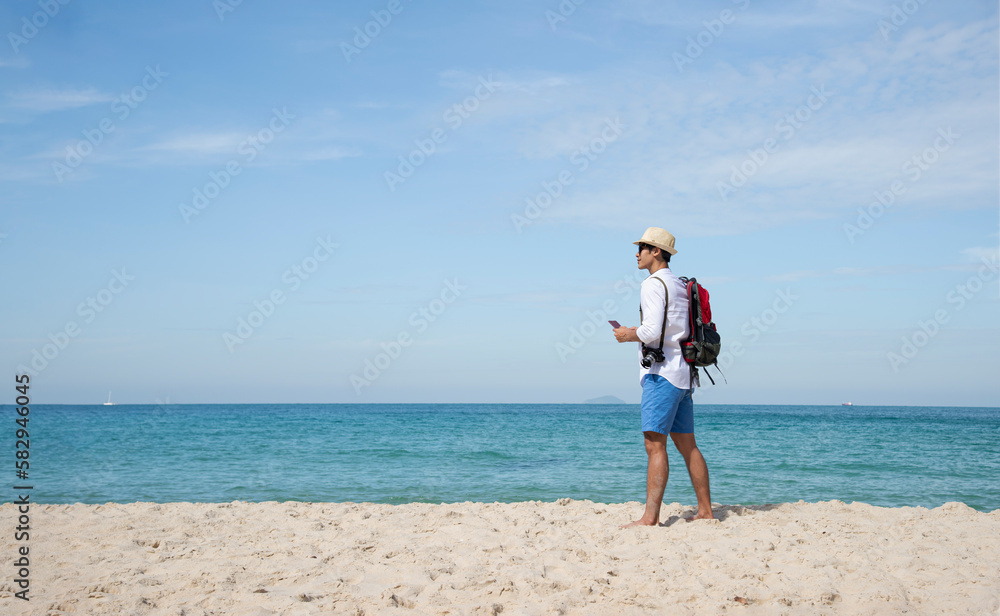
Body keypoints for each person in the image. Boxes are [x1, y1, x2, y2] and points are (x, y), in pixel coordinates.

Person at [613, 227, 714, 527]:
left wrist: (628, 334)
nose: (636, 253)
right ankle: (706, 510)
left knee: (654, 444)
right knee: (688, 445)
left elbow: (652, 332)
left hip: (662, 375)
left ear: (655, 251)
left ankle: (650, 518)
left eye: (641, 247)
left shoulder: (653, 284)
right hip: (684, 374)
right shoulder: (680, 285)